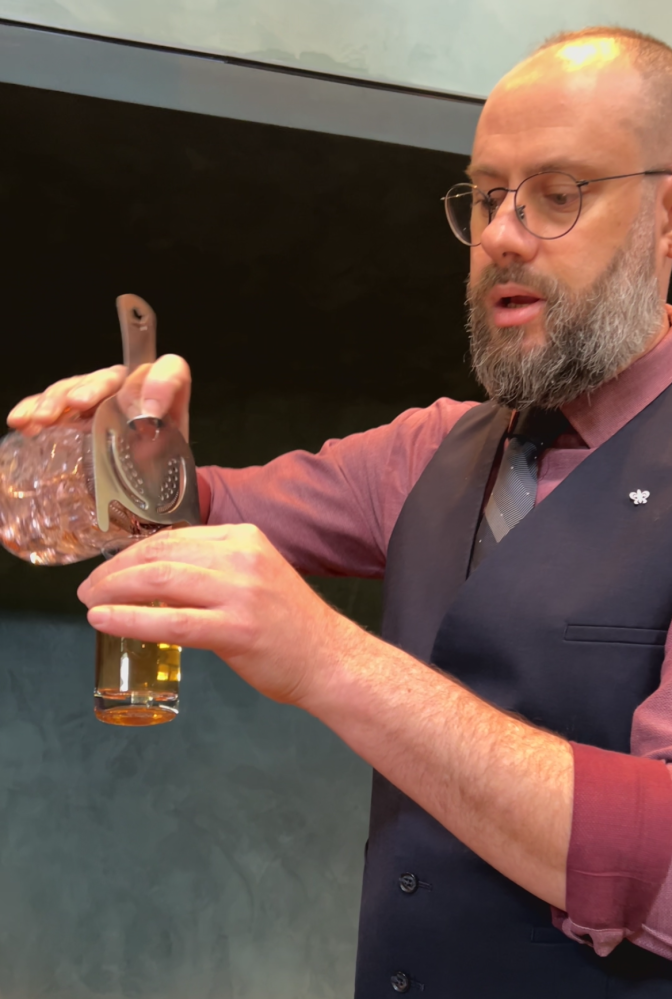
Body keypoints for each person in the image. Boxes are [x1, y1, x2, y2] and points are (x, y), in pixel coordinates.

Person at [9, 25, 672, 997]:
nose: (501, 234)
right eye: (487, 197)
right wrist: (116, 459)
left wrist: (327, 662)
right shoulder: (429, 451)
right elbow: (190, 517)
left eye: (558, 195)